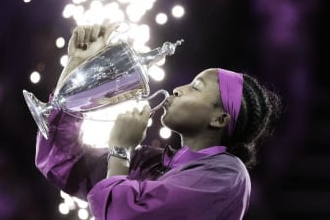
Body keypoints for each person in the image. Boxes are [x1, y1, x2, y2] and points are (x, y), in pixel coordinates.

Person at [35, 23, 281, 220]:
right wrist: (77, 67)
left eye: (196, 87)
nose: (178, 90)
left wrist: (120, 150)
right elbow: (62, 163)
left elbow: (124, 215)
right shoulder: (154, 163)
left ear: (219, 119)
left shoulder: (227, 176)